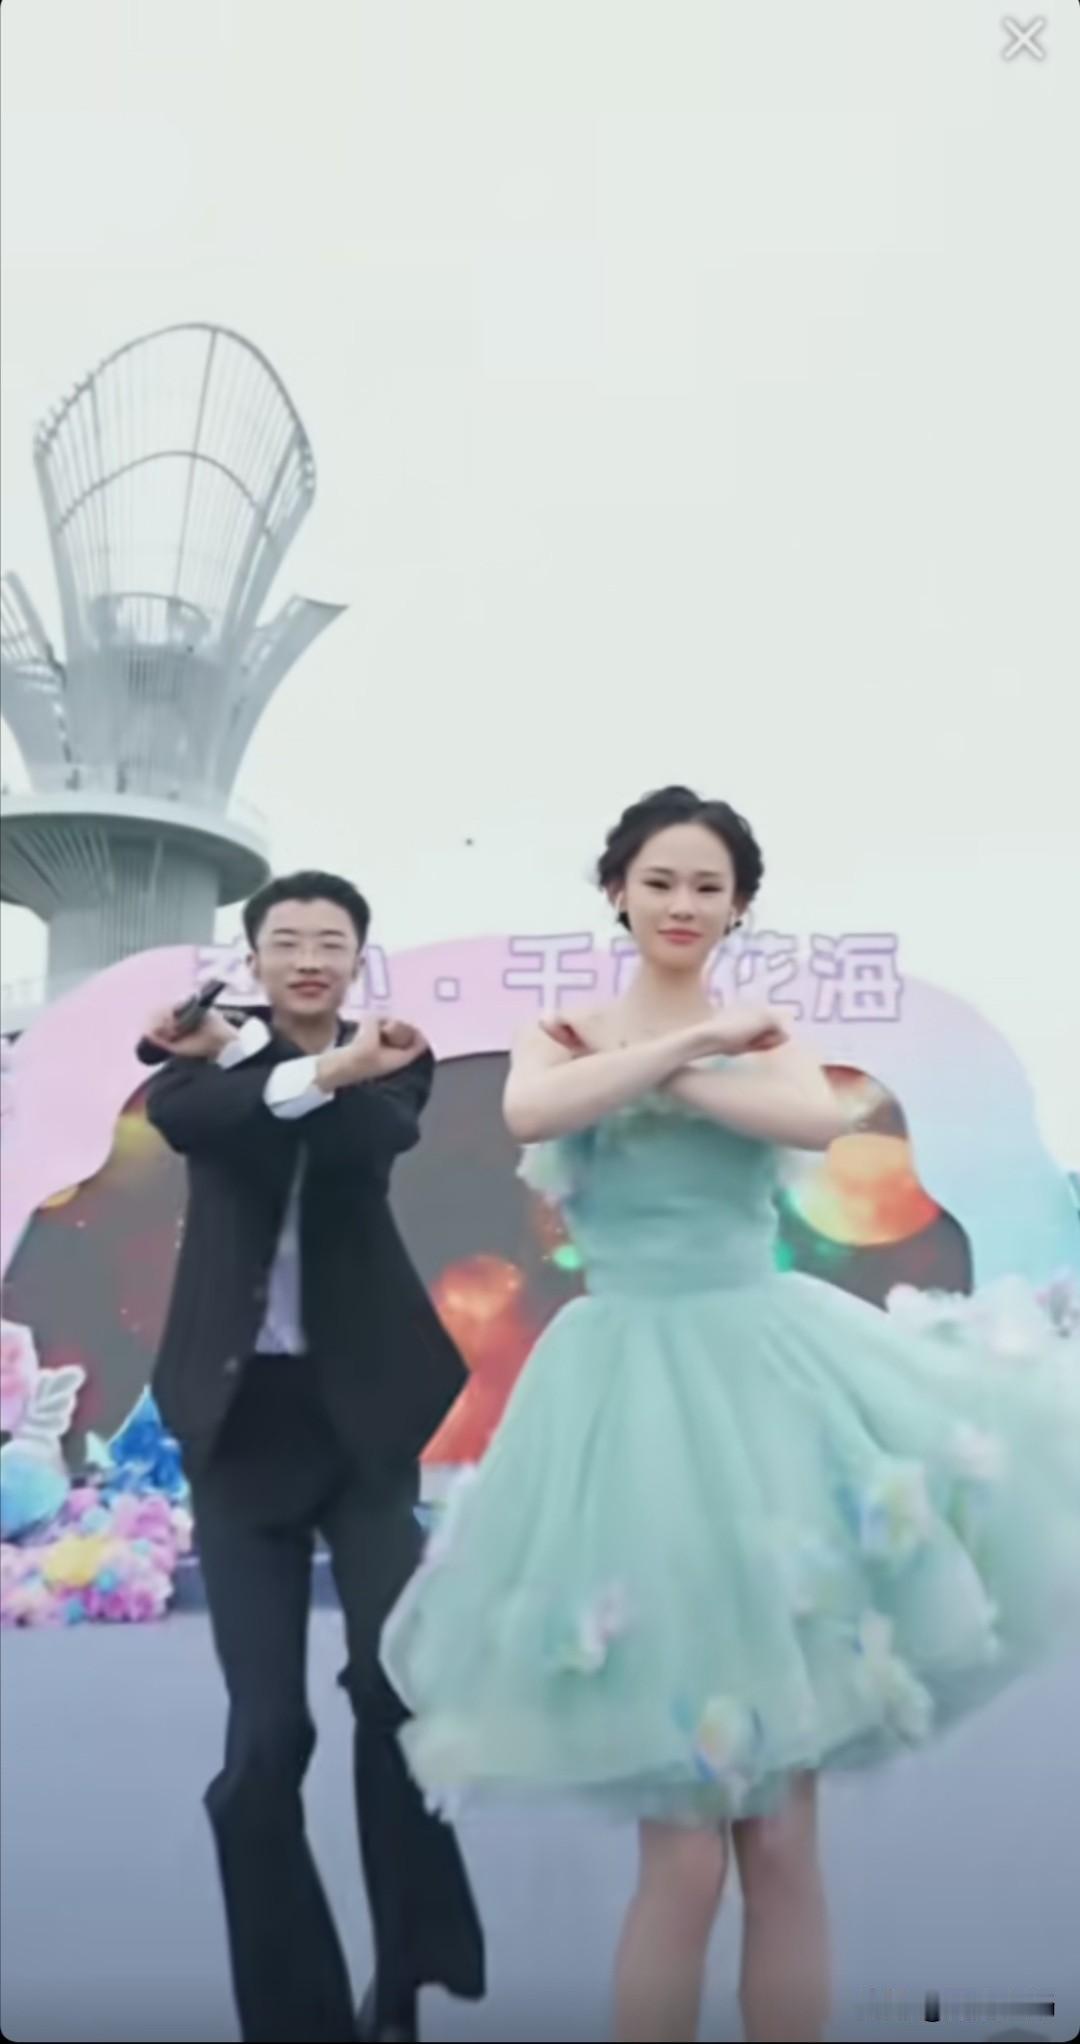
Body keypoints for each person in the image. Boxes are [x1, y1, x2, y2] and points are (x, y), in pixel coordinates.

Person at [380, 787, 1080, 2044]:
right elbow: (534, 1111)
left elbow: (814, 1116)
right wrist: (688, 1049)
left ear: (739, 904)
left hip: (769, 1395)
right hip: (627, 1414)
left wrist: (663, 1068)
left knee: (784, 1844)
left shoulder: (761, 1039)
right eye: (661, 880)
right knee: (686, 1854)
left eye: (708, 886)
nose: (683, 904)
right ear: (618, 890)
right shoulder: (564, 1033)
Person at [142, 871, 485, 2044]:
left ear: (357, 959)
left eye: (329, 941)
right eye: (284, 940)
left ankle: (409, 1973)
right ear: (251, 957)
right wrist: (253, 1054)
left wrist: (312, 1066)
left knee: (393, 1690)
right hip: (241, 1429)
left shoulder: (396, 1062)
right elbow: (203, 1121)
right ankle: (295, 2017)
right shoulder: (197, 1069)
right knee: (266, 1740)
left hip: (361, 1420)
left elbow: (356, 1140)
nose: (307, 958)